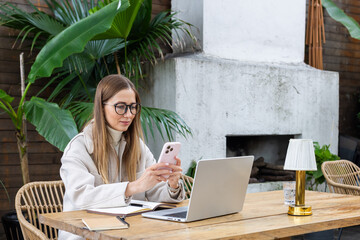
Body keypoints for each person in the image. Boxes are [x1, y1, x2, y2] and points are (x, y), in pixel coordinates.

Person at [59, 74, 184, 240]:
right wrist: (132, 187)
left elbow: (154, 191)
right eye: (121, 106)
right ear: (101, 107)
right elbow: (82, 197)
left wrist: (172, 185)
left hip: (129, 232)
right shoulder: (78, 148)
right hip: (85, 235)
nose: (129, 114)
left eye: (133, 107)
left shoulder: (138, 146)